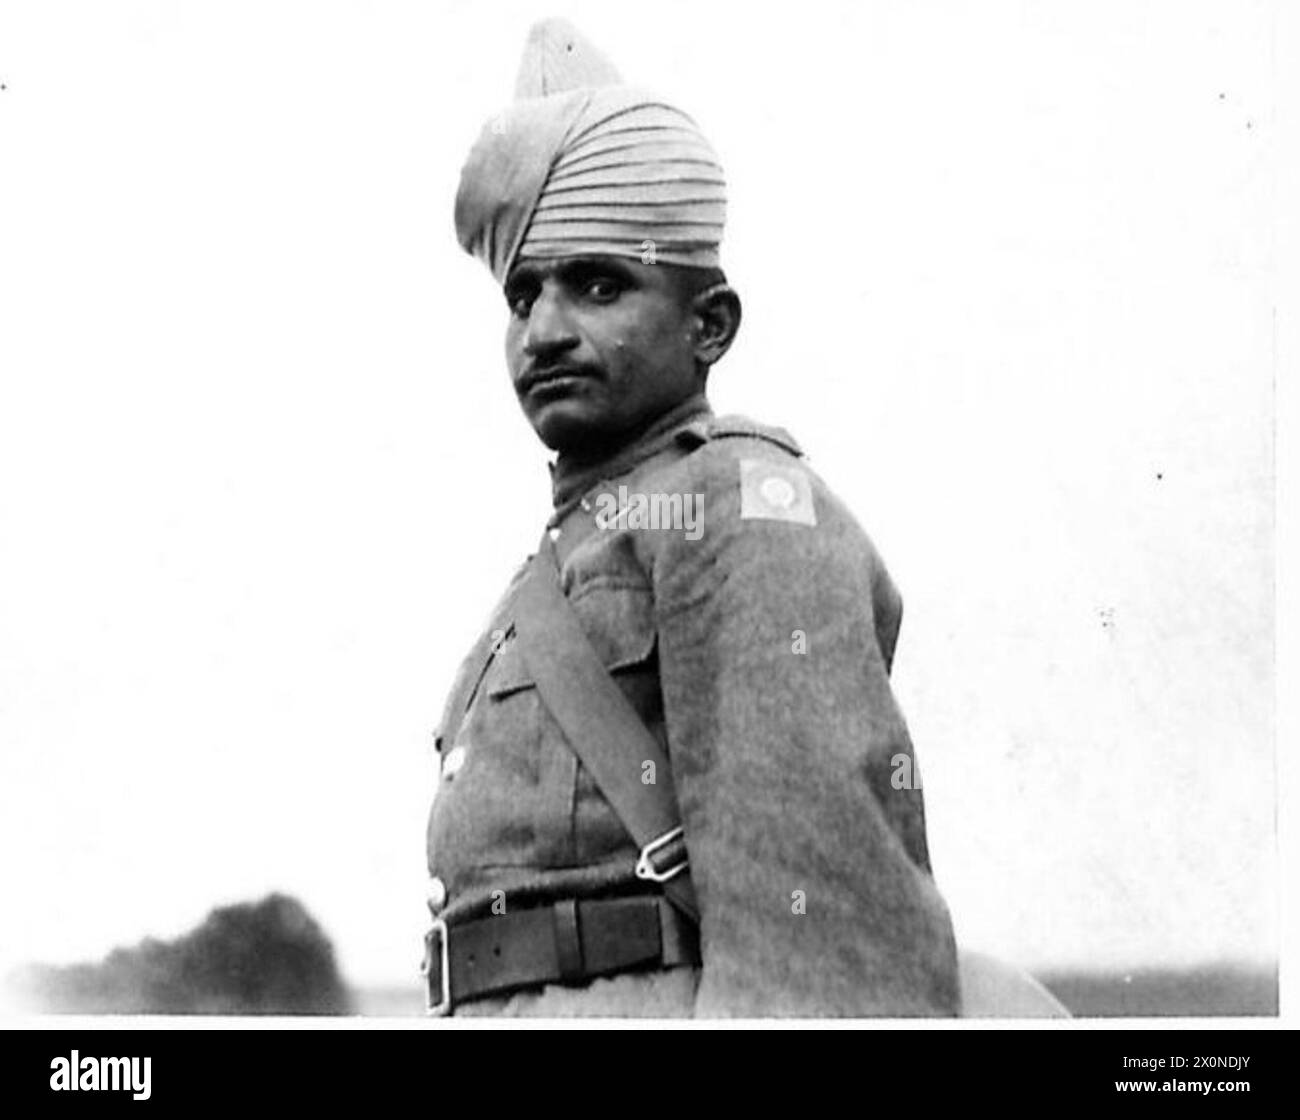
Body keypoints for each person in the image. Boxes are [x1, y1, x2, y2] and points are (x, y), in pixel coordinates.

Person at [422, 17, 961, 1017]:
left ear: (707, 324)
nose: (543, 331)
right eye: (523, 292)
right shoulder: (571, 550)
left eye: (597, 284)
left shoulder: (740, 507)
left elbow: (821, 935)